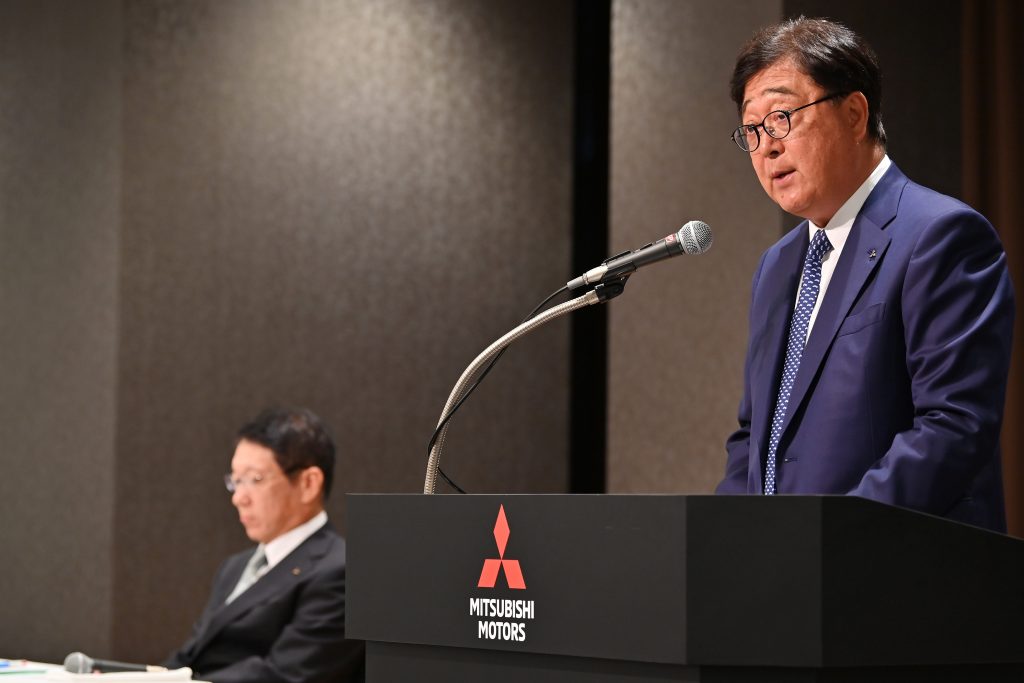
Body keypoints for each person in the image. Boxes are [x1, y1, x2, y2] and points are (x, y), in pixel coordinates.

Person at [715, 17, 1015, 532]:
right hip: (788, 584)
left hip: (898, 575)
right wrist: (727, 540)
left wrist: (834, 535)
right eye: (753, 129)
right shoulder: (777, 266)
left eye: (782, 117)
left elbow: (952, 427)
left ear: (854, 114)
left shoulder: (941, 236)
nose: (767, 147)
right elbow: (754, 436)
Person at [165, 408, 363, 682]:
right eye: (236, 481)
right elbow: (189, 657)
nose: (239, 498)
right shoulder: (234, 567)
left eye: (254, 479)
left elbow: (283, 676)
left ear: (308, 483)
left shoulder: (341, 571)